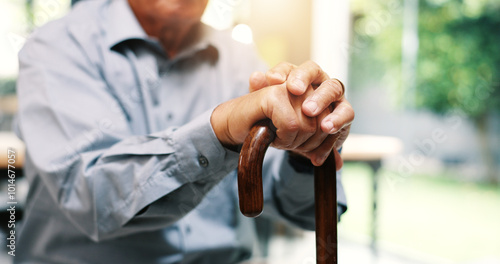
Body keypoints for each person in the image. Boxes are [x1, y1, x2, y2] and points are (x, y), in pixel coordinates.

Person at [14, 0, 354, 263]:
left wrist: (306, 145)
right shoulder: (58, 45)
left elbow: (302, 209)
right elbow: (93, 196)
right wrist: (219, 131)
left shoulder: (237, 56)